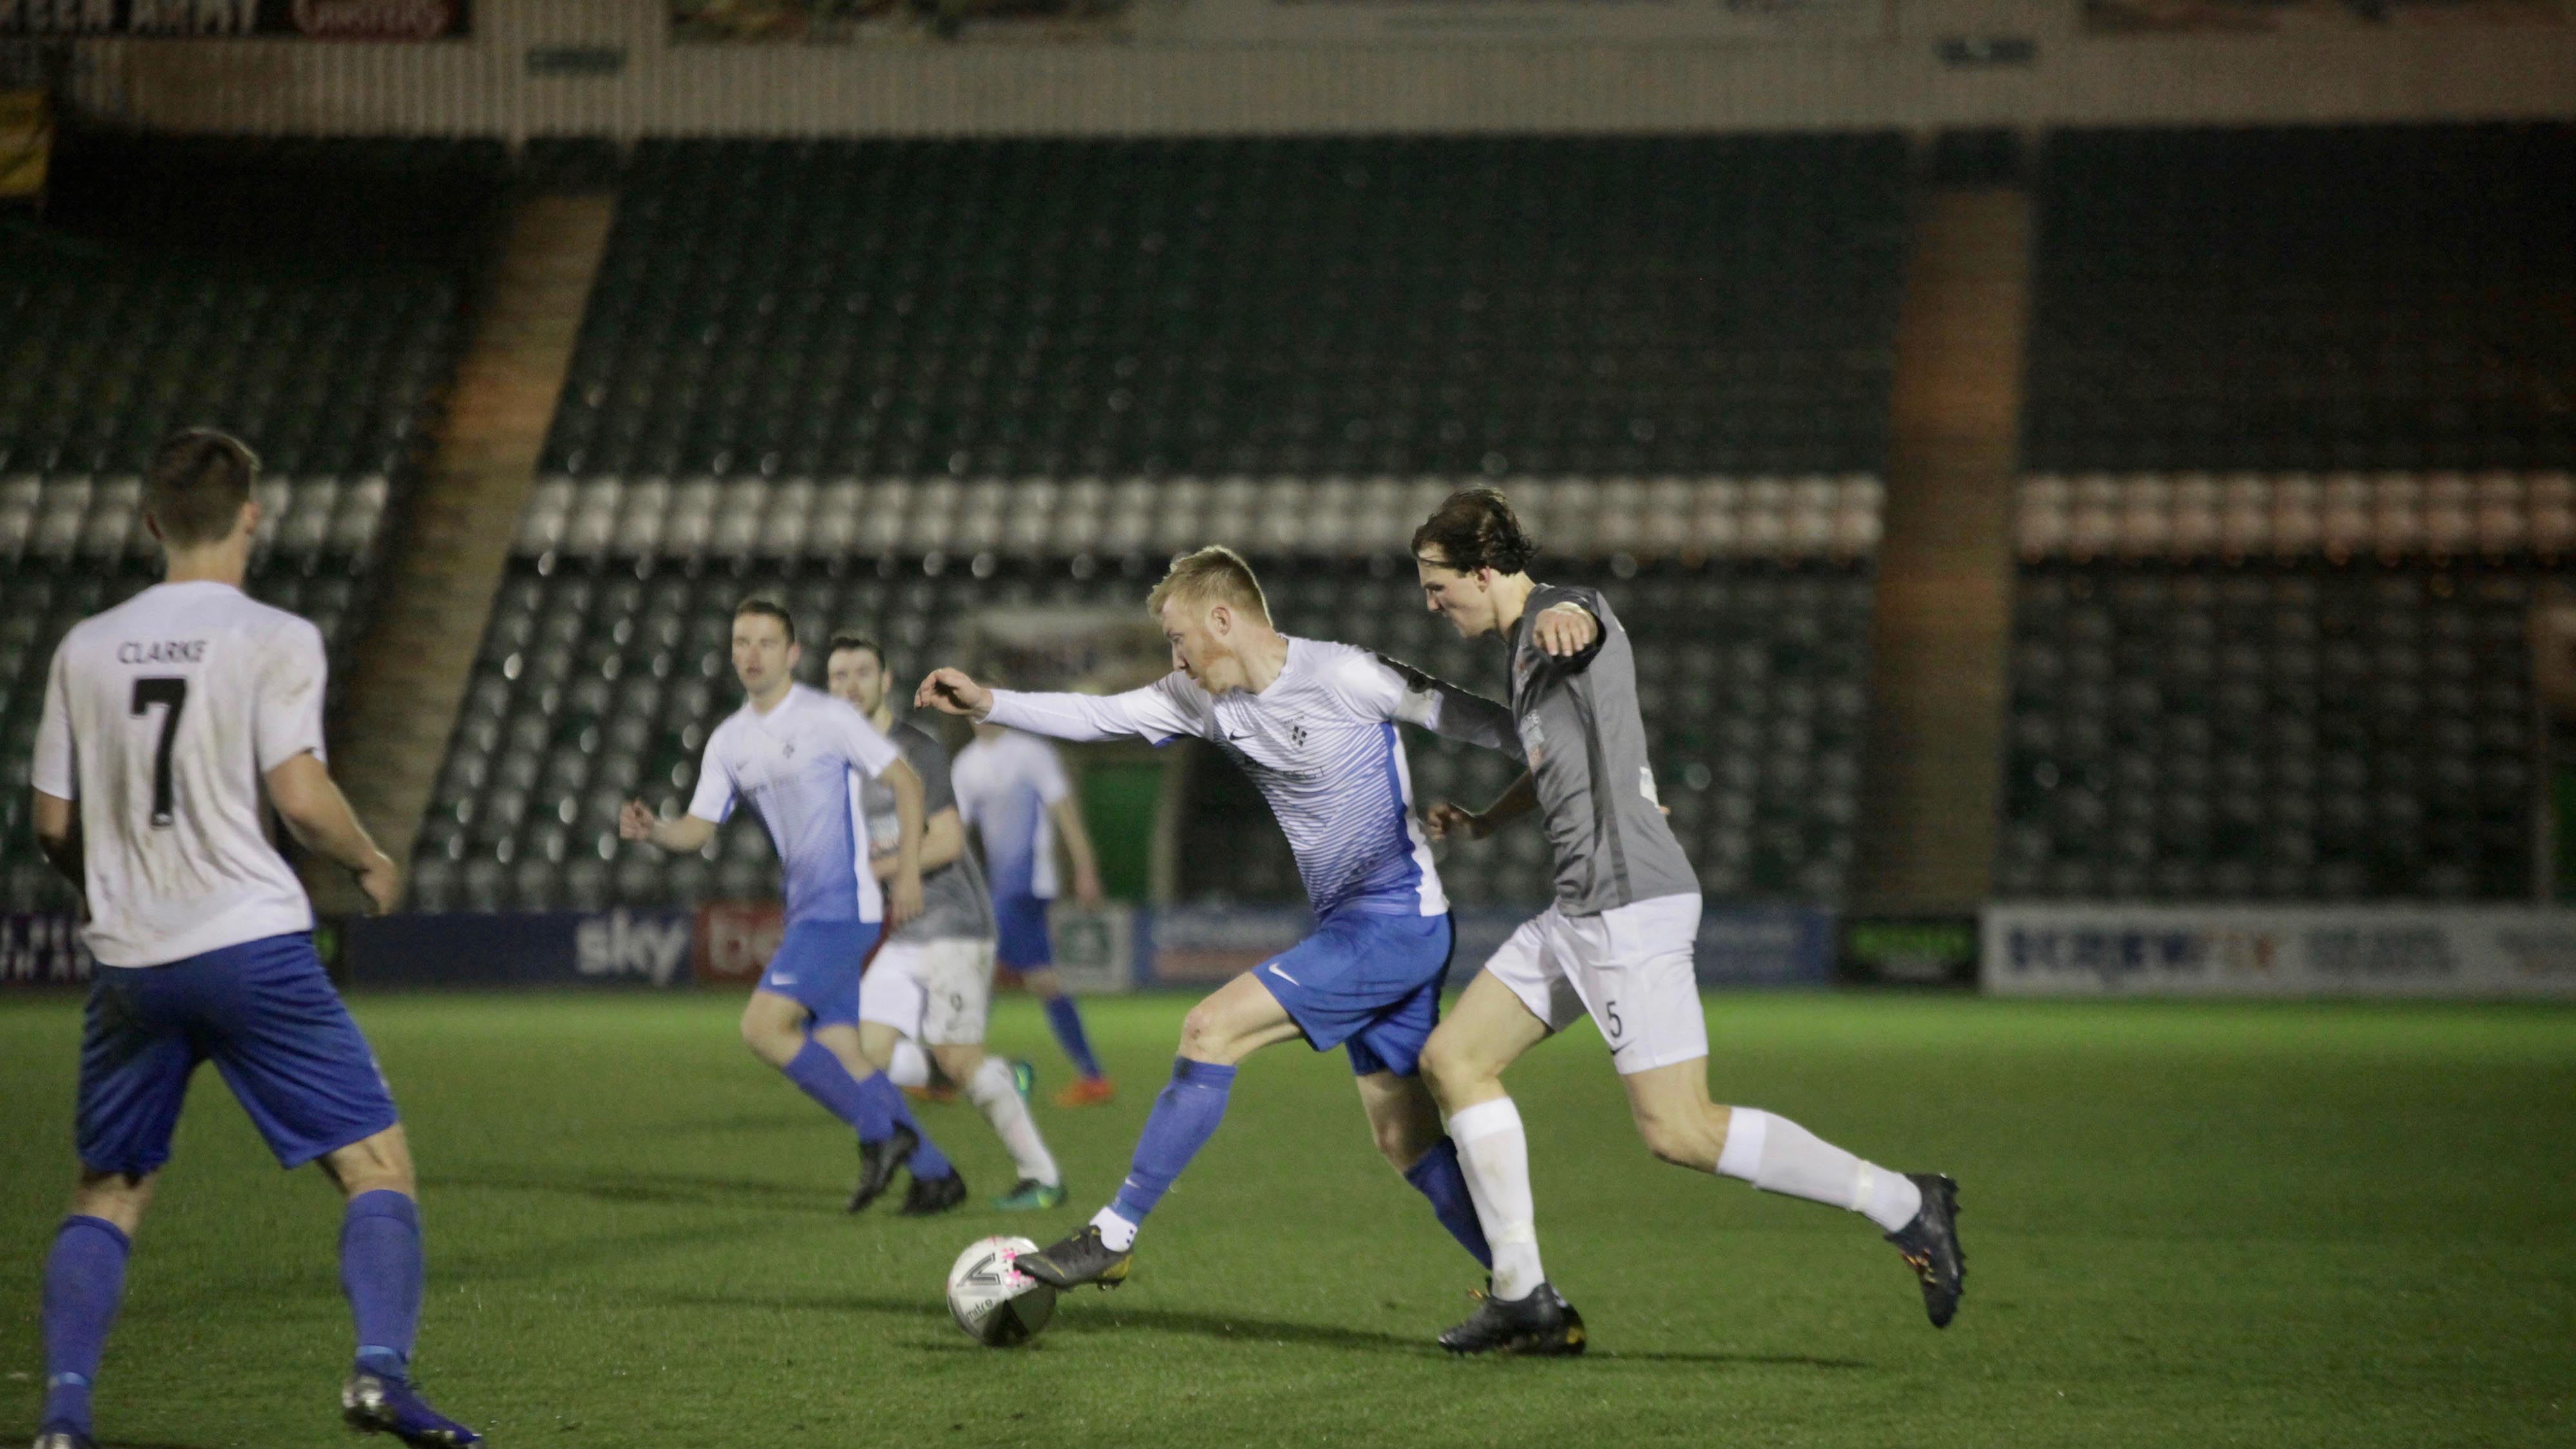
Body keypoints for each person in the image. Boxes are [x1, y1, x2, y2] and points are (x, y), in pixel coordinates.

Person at [1400, 486, 1966, 1355]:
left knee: (1680, 1129)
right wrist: (1483, 820)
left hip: (1628, 907)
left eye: (1439, 585)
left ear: (1485, 569)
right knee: (1454, 1060)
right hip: (1580, 907)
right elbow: (1557, 763)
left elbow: (1586, 618)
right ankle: (1523, 1296)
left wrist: (1576, 619)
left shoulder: (1557, 615)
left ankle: (1903, 1202)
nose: (1432, 603)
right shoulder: (1519, 651)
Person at [27, 430, 478, 1448]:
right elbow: (303, 798)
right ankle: (378, 1373)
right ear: (252, 516)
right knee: (376, 1166)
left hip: (133, 960)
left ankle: (62, 1416)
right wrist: (367, 859)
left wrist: (117, 889)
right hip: (251, 946)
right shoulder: (274, 636)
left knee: (109, 1187)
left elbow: (53, 825)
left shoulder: (85, 646)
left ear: (151, 521)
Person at [916, 545, 1504, 1295]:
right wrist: (991, 702)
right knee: (1405, 1139)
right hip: (1363, 931)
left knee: (1209, 1029)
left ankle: (1114, 1233)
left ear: (1222, 619)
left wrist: (1596, 772)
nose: (1177, 658)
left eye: (1178, 637)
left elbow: (1474, 719)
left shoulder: (1343, 674)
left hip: (1394, 924)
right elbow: (1100, 715)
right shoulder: (1201, 699)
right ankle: (1526, 1289)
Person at [618, 598, 965, 1215]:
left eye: (765, 643)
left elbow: (907, 783)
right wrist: (655, 830)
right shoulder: (729, 740)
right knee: (844, 1049)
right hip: (805, 908)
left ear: (793, 654)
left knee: (763, 1027)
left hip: (846, 906)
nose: (751, 655)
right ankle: (936, 1176)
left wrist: (908, 872)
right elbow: (699, 830)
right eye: (741, 643)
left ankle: (883, 1134)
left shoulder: (827, 717)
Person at [825, 633, 1067, 1211]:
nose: (851, 685)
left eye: (863, 672)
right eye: (838, 676)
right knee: (857, 1053)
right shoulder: (844, 766)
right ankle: (990, 1083)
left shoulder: (918, 750)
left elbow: (949, 840)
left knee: (958, 1060)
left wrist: (874, 867)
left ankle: (1043, 1176)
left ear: (886, 683)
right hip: (909, 931)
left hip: (955, 924)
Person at [950, 717, 1118, 1106]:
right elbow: (954, 832)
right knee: (1042, 979)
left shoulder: (1032, 752)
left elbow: (1064, 810)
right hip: (1001, 885)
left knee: (981, 961)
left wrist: (1086, 867)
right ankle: (1093, 1076)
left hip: (1030, 882)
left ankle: (952, 1069)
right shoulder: (966, 764)